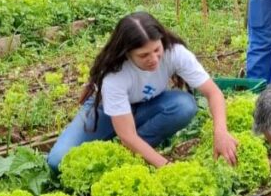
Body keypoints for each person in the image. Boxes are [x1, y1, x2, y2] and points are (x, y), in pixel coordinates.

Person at [47, 12, 237, 171]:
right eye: (143, 55)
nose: (154, 59)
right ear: (127, 53)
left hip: (148, 105)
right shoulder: (115, 75)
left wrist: (220, 132)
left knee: (184, 105)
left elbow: (214, 93)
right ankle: (129, 150)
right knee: (57, 161)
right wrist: (166, 167)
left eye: (156, 49)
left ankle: (129, 152)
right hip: (105, 112)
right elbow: (127, 133)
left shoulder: (175, 53)